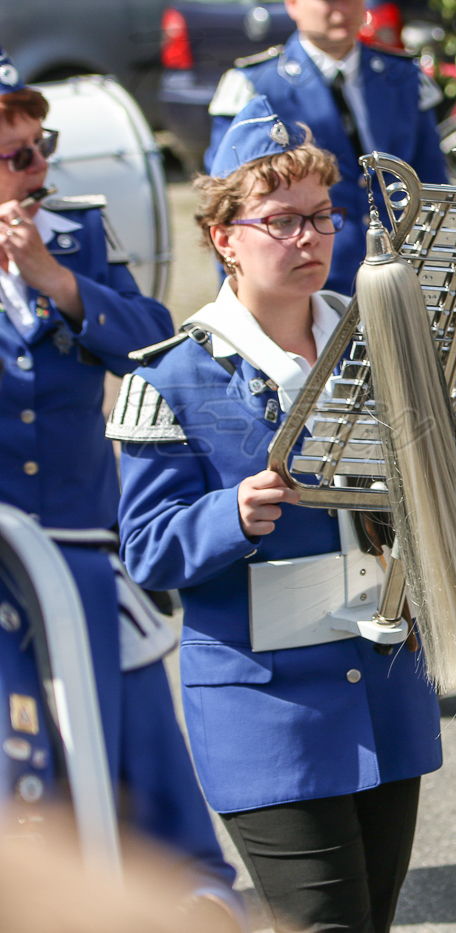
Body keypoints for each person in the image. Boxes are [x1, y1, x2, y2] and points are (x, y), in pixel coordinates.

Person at [109, 96, 442, 933]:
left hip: (383, 692)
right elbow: (147, 549)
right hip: (266, 713)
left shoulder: (378, 342)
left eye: (321, 217)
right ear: (223, 237)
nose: (308, 239)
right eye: (281, 221)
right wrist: (230, 513)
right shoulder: (172, 376)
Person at [0, 46, 241, 922]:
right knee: (21, 758)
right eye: (16, 155)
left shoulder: (72, 234)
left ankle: (189, 892)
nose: (38, 169)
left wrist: (58, 283)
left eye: (43, 147)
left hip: (80, 547)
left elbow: (151, 340)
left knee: (134, 735)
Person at [208, 0, 448, 295]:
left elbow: (434, 188)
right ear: (293, 4)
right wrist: (237, 295)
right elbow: (227, 204)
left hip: (400, 277)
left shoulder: (404, 77)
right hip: (306, 282)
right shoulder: (256, 84)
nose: (342, 9)